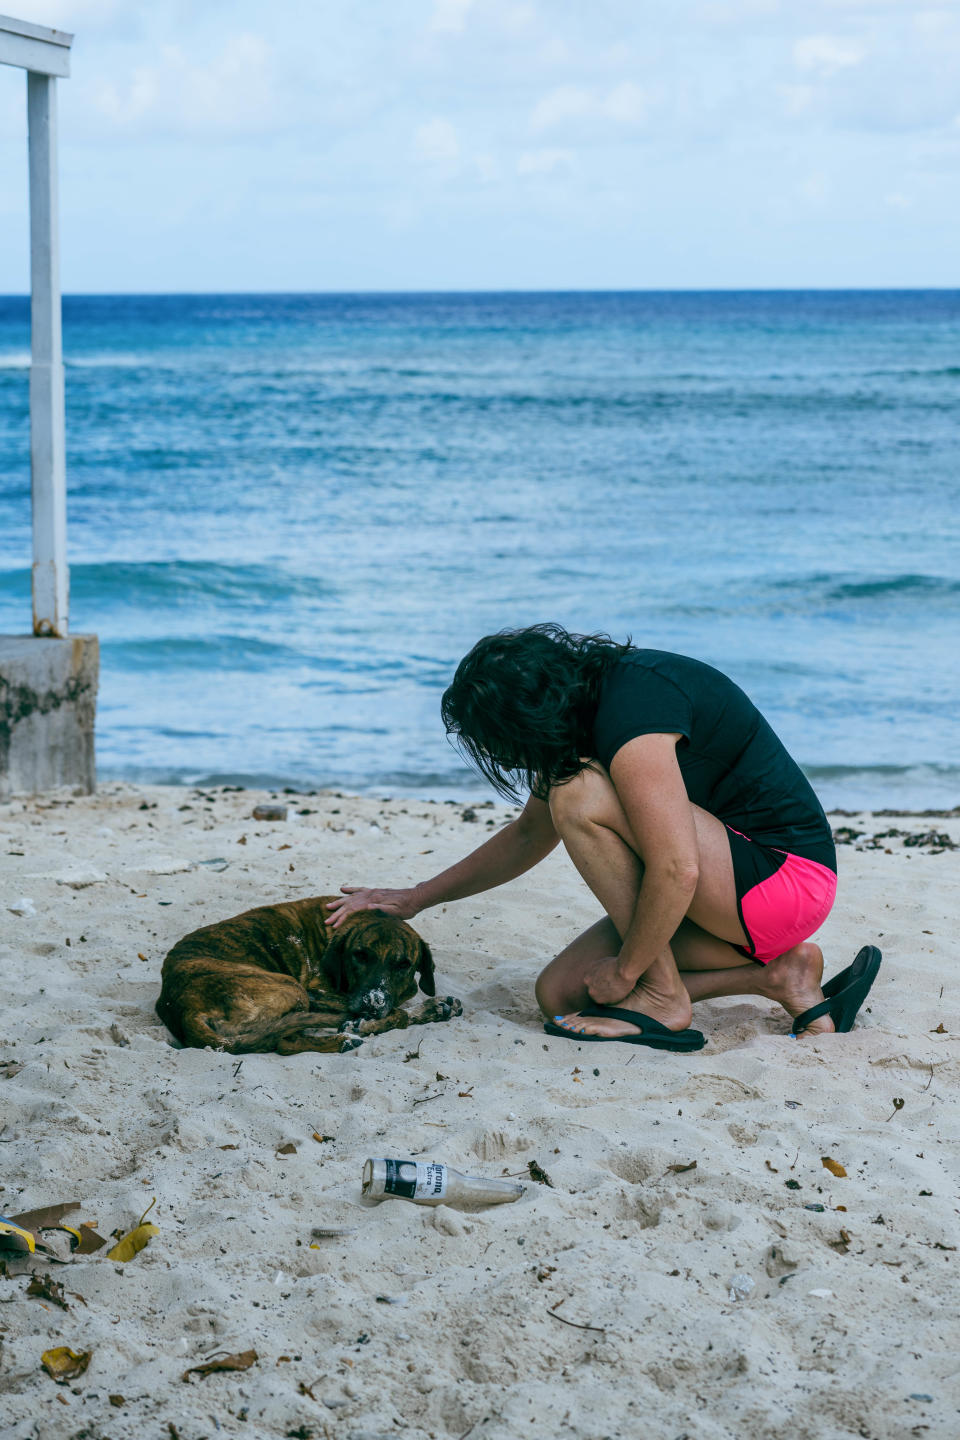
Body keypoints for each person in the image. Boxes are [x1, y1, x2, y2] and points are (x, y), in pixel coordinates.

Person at [324, 625, 880, 1050]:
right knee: (561, 995)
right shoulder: (582, 715)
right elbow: (526, 838)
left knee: (577, 795)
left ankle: (662, 999)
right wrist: (415, 898)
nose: (506, 757)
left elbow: (676, 869)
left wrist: (629, 970)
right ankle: (779, 975)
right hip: (727, 898)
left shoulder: (634, 710)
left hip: (780, 880)